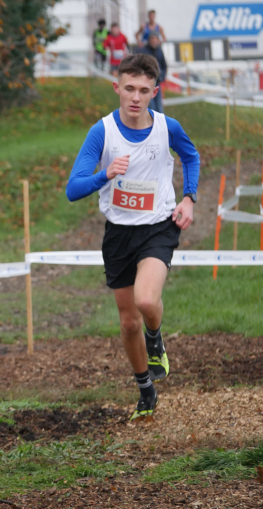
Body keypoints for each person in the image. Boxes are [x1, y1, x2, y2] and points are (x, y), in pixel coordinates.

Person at [66, 54, 200, 421]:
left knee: (145, 300)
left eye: (144, 90)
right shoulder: (102, 131)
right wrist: (104, 175)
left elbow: (191, 156)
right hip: (119, 234)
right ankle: (145, 388)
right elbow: (73, 188)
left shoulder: (167, 127)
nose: (136, 97)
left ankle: (156, 340)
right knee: (127, 322)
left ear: (155, 91)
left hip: (158, 227)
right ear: (117, 88)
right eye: (129, 89)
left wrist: (189, 198)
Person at [137, 32, 167, 114]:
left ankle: (161, 125)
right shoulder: (143, 51)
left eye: (156, 39)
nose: (154, 41)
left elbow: (164, 65)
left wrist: (162, 76)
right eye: (152, 39)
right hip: (147, 84)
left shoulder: (159, 51)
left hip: (157, 82)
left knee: (159, 108)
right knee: (151, 108)